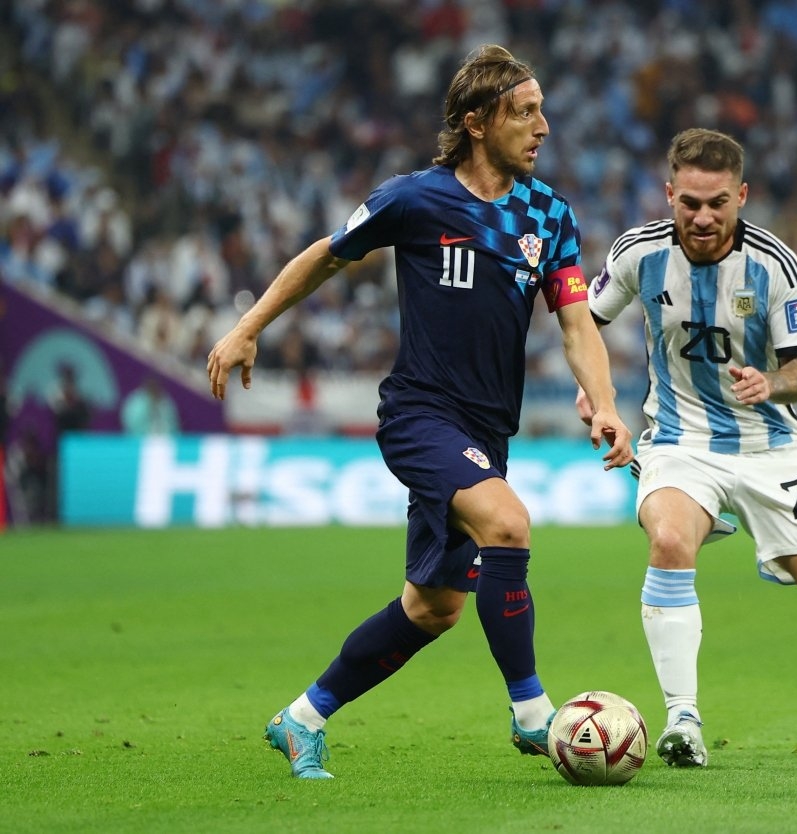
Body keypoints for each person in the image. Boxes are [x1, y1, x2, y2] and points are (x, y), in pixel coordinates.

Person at [207, 44, 634, 779]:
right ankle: (532, 713)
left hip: (487, 431)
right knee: (508, 523)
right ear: (477, 122)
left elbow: (574, 322)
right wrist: (249, 326)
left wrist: (606, 403)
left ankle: (301, 719)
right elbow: (328, 254)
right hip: (419, 415)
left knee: (433, 607)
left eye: (542, 111)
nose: (544, 127)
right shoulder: (414, 198)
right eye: (525, 112)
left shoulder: (549, 213)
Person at [577, 128, 797, 766]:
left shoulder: (775, 264)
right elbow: (581, 321)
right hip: (679, 440)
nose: (703, 217)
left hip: (769, 449)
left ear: (741, 196)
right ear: (670, 194)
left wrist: (771, 381)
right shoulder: (638, 253)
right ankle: (683, 719)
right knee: (670, 540)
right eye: (690, 202)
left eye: (717, 203)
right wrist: (599, 395)